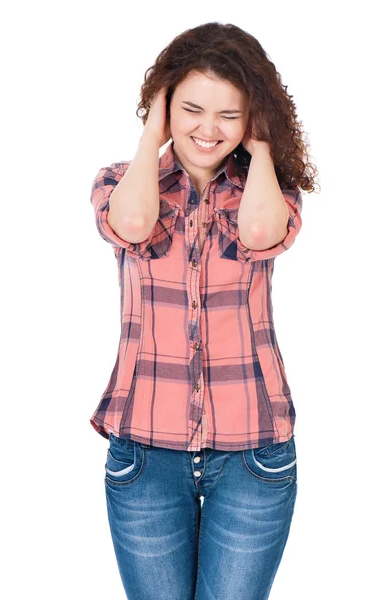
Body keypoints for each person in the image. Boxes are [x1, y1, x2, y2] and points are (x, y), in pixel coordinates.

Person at [89, 21, 318, 600]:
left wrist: (263, 143)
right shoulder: (121, 183)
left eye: (230, 115)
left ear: (252, 120)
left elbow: (263, 232)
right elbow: (134, 225)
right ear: (165, 107)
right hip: (145, 455)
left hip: (253, 457)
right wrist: (152, 136)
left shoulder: (268, 191)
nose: (208, 129)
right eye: (190, 109)